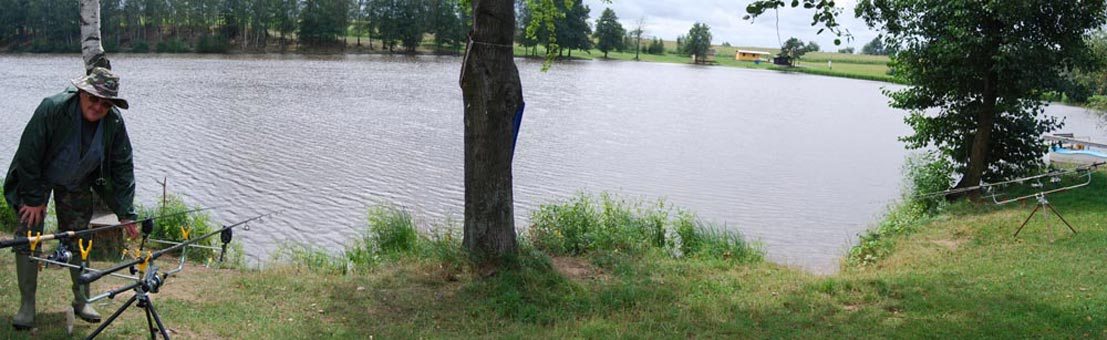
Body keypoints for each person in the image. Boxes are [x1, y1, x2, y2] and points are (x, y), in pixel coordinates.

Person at [3, 67, 140, 330]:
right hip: (38, 176)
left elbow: (123, 165)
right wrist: (33, 198)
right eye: (93, 99)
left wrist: (125, 211)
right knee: (29, 233)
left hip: (78, 179)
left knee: (79, 235)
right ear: (81, 92)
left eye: (105, 102)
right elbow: (29, 154)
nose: (98, 106)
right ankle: (27, 304)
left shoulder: (113, 122)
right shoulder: (52, 108)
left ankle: (82, 299)